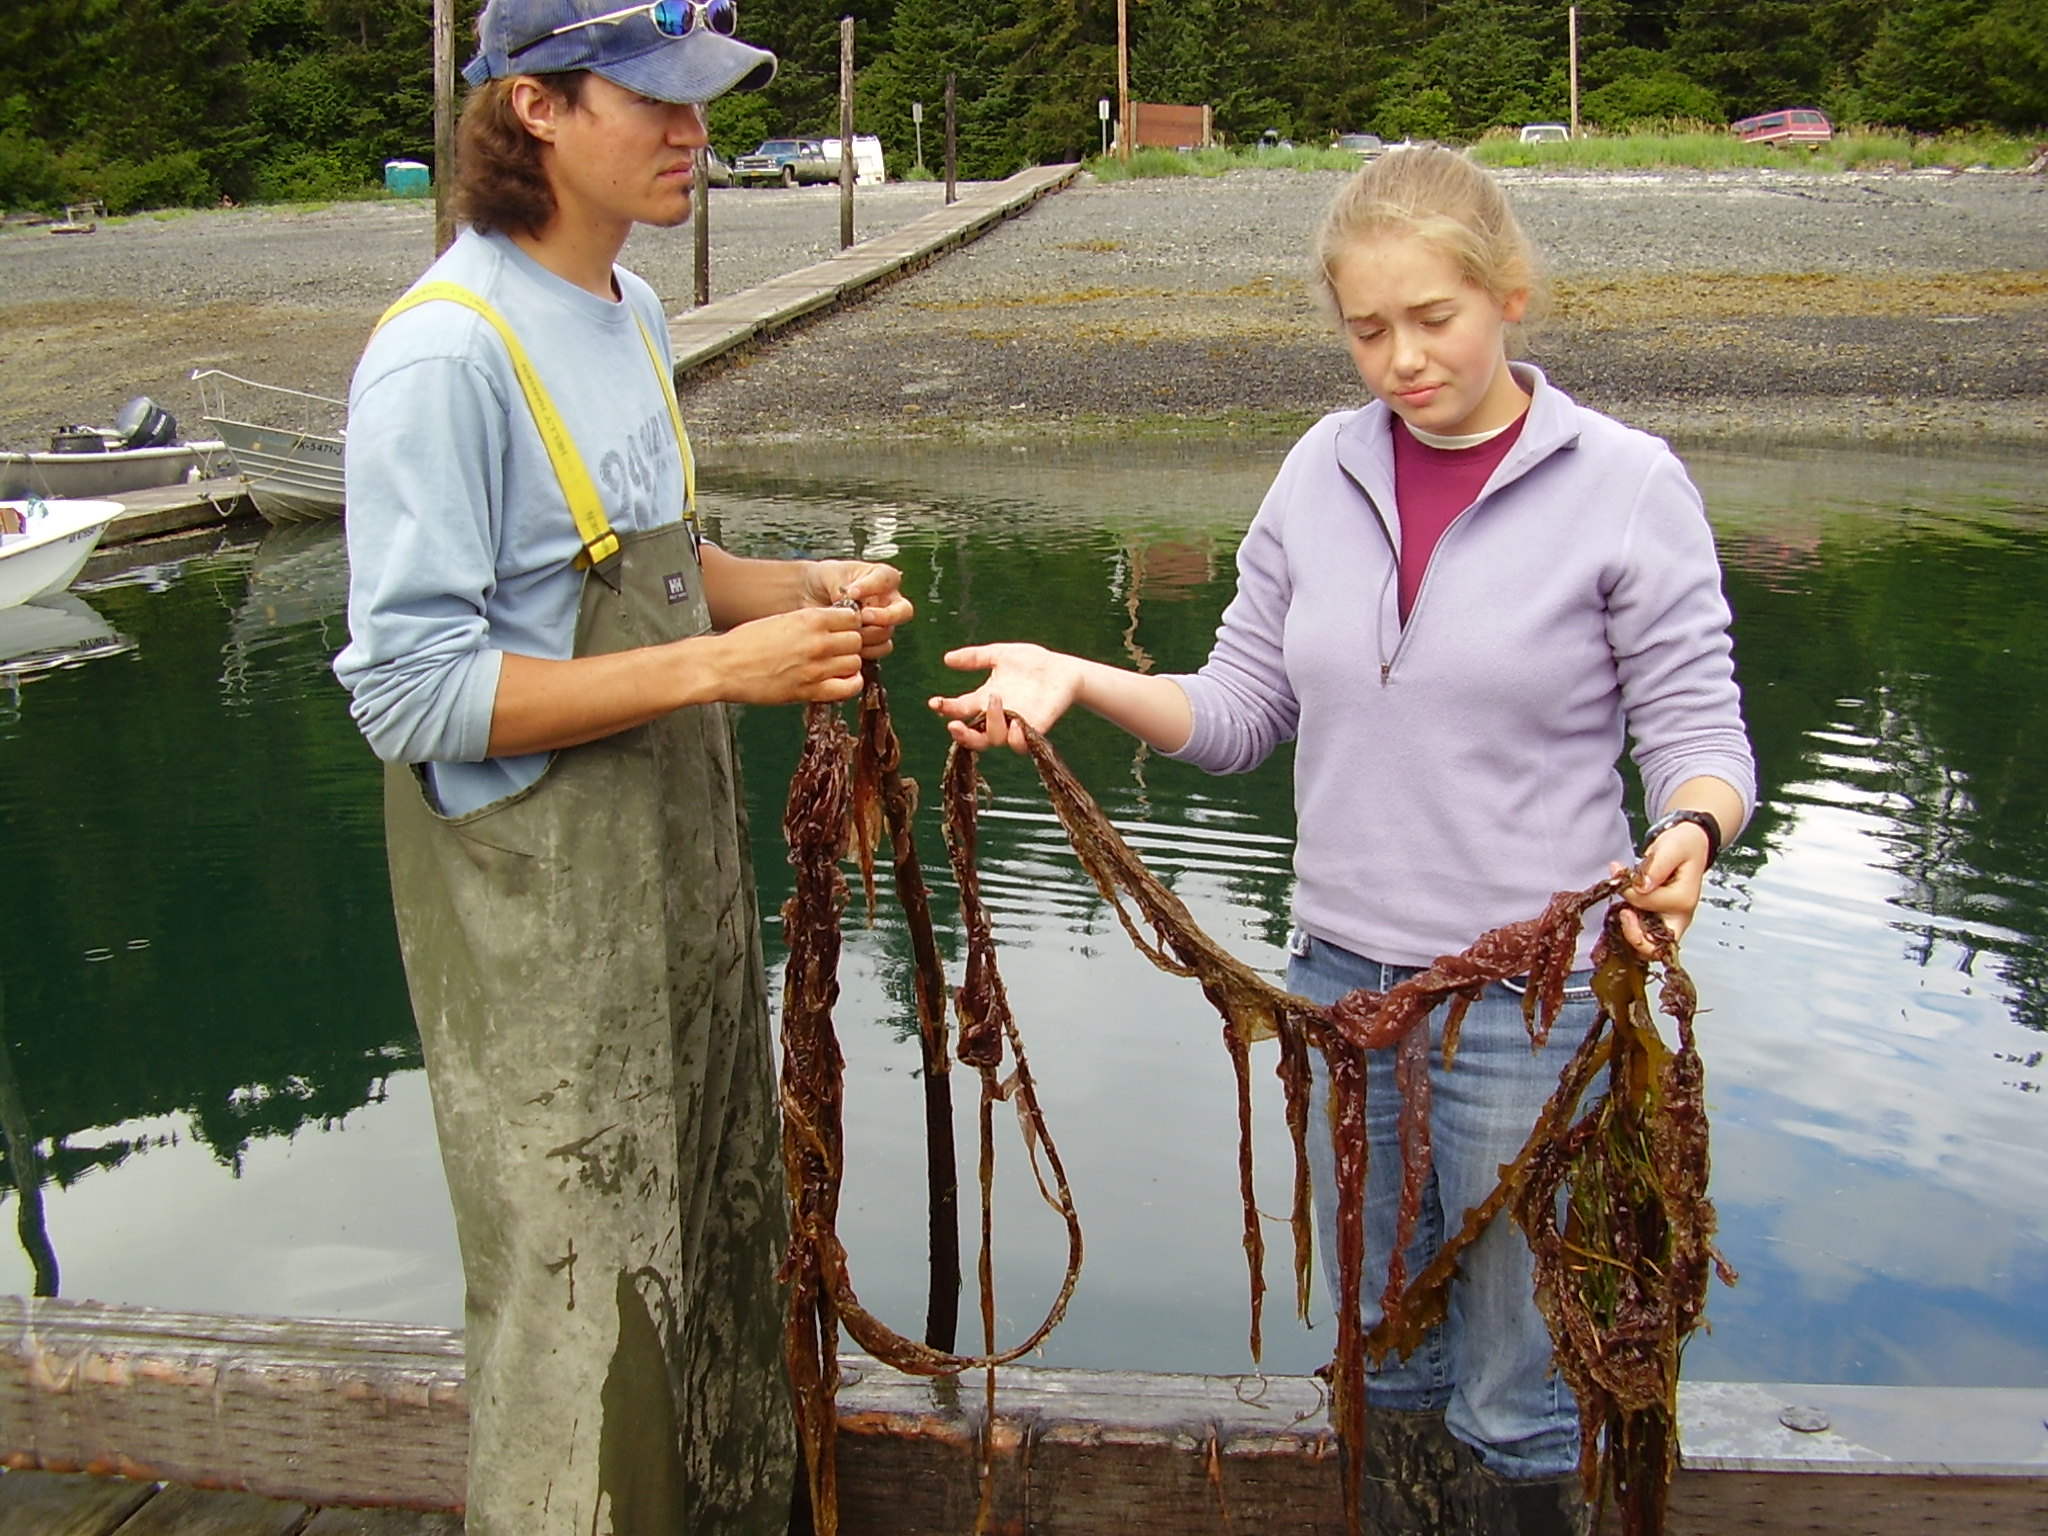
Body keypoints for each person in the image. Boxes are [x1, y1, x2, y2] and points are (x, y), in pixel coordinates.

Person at [930, 145, 1753, 1536]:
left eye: (1433, 319)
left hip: (1530, 1005)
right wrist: (1076, 674)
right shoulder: (1321, 468)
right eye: (1369, 330)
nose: (1402, 361)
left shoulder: (1627, 483)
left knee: (1522, 1386)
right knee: (1386, 1363)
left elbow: (1700, 733)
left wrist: (1691, 830)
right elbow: (1242, 710)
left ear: (1509, 295)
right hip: (1345, 997)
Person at [332, 2, 913, 1531]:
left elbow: (662, 568)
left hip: (682, 897)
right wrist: (728, 670)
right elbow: (407, 693)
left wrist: (800, 591)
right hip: (538, 930)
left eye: (702, 103)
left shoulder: (632, 313)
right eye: (650, 100)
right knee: (581, 1304)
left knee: (715, 1249)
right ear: (531, 108)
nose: (690, 132)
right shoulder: (443, 358)